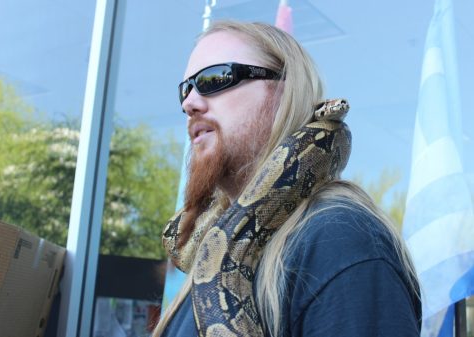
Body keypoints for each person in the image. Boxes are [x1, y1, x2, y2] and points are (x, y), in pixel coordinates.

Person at [153, 21, 421, 337]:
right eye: (186, 89)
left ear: (284, 91)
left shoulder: (336, 240)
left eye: (215, 78)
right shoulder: (213, 255)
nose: (189, 103)